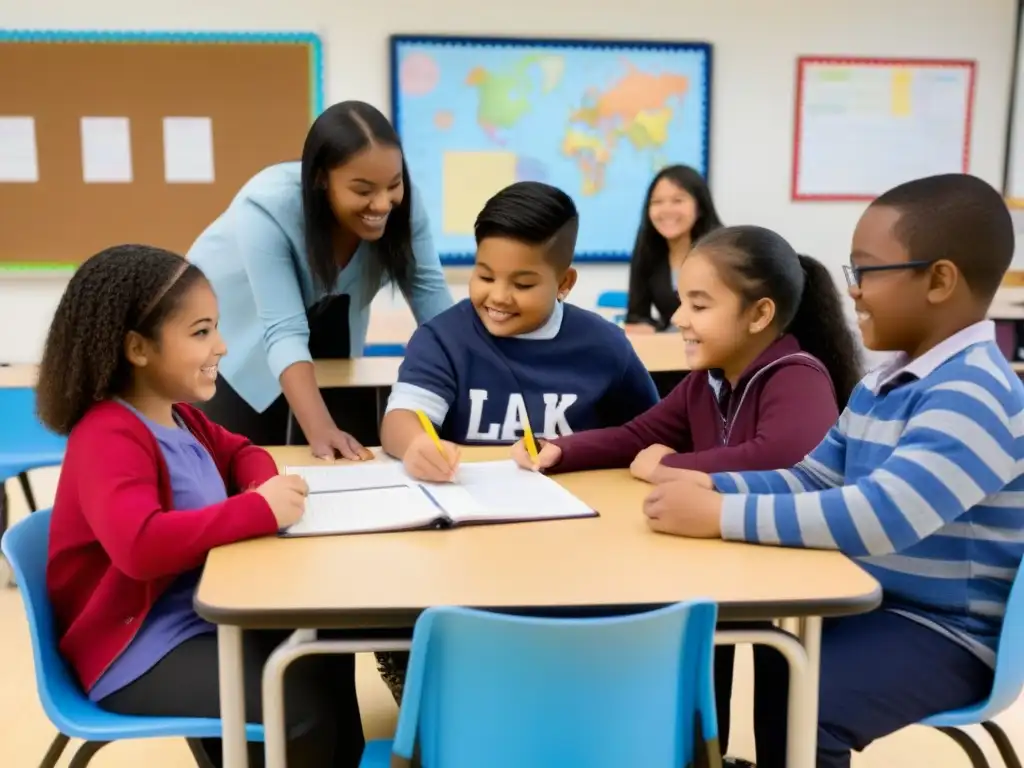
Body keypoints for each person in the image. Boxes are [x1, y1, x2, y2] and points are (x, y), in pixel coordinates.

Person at [641, 174, 1024, 768]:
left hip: (947, 631)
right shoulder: (882, 385)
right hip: (877, 603)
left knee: (806, 699)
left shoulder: (974, 391)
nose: (853, 291)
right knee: (775, 662)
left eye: (866, 272)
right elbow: (814, 478)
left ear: (940, 281)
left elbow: (882, 516)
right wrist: (713, 484)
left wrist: (721, 512)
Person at [513, 225, 862, 763]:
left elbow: (786, 456)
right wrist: (563, 449)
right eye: (681, 302)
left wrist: (671, 466)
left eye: (698, 305)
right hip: (722, 561)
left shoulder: (797, 375)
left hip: (789, 572)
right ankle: (707, 755)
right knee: (701, 642)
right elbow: (638, 434)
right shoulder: (711, 378)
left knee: (773, 676)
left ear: (760, 315)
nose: (679, 319)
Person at [37, 245, 364, 768]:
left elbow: (243, 452)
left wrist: (261, 491)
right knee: (302, 712)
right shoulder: (109, 435)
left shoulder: (179, 417)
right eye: (201, 332)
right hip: (133, 651)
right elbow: (140, 546)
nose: (222, 346)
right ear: (138, 349)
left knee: (325, 656)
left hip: (202, 614)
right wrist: (259, 510)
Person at [374, 181, 660, 698]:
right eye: (484, 276)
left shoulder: (604, 346)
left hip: (577, 549)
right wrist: (417, 444)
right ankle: (417, 667)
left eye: (523, 283)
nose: (498, 297)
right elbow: (402, 417)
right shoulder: (445, 337)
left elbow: (651, 433)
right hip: (466, 550)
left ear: (565, 282)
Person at [188, 100, 453, 455]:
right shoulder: (267, 207)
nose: (382, 203)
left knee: (347, 444)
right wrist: (321, 429)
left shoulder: (401, 206)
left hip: (330, 321)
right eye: (362, 191)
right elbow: (283, 329)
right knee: (252, 454)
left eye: (394, 184)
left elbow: (432, 299)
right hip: (236, 332)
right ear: (320, 180)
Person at [625, 164, 724, 334]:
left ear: (699, 207)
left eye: (678, 200)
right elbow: (637, 316)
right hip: (671, 350)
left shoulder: (724, 252)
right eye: (657, 202)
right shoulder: (648, 252)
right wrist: (649, 329)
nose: (666, 210)